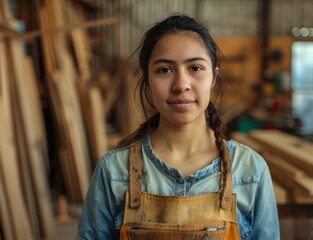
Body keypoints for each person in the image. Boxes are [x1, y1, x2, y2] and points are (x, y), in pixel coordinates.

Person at [77, 14, 279, 240]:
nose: (181, 84)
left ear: (214, 77)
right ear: (147, 80)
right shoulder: (114, 171)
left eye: (195, 68)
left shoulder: (251, 171)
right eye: (164, 70)